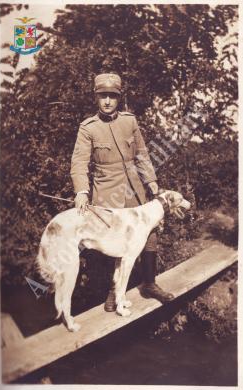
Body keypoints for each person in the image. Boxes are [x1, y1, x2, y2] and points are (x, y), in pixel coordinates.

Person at [70, 72, 173, 311]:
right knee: (115, 242)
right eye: (102, 96)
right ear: (96, 98)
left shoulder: (130, 121)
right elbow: (79, 163)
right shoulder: (88, 128)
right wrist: (82, 191)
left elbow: (142, 155)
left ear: (119, 98)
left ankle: (149, 284)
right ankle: (113, 292)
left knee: (150, 236)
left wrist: (153, 184)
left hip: (135, 191)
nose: (107, 101)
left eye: (112, 96)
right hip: (107, 194)